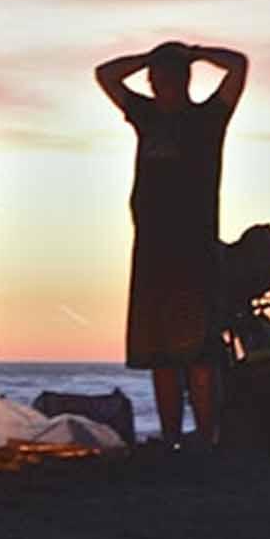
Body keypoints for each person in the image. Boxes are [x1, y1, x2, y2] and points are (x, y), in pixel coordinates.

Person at [96, 40, 248, 451]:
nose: (158, 84)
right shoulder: (145, 116)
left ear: (182, 80)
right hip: (151, 251)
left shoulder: (207, 119)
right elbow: (106, 74)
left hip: (195, 250)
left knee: (199, 353)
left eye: (165, 76)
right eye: (155, 78)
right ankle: (170, 436)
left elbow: (238, 66)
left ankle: (206, 435)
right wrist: (148, 56)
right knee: (159, 353)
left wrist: (195, 52)